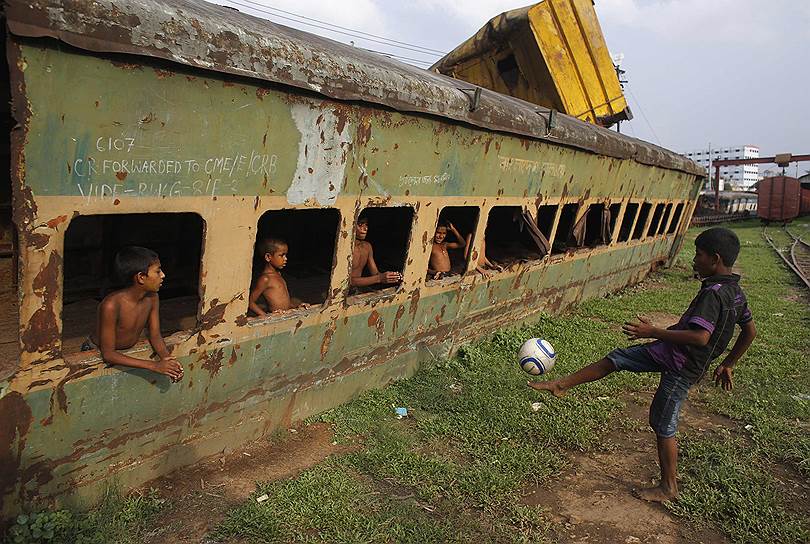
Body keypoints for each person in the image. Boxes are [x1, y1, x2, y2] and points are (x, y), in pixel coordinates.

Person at [529, 227, 756, 503]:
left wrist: (653, 331)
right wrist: (729, 363)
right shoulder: (735, 292)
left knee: (663, 422)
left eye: (698, 255)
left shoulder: (714, 294)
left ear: (714, 259)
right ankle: (559, 384)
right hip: (669, 352)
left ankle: (668, 487)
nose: (694, 260)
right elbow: (750, 331)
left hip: (681, 365)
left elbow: (700, 337)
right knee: (618, 358)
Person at [87, 246, 183, 381]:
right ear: (141, 277)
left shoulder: (153, 298)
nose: (163, 275)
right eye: (158, 271)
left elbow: (155, 334)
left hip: (123, 352)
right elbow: (108, 354)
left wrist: (167, 358)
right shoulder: (111, 305)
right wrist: (154, 366)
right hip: (96, 350)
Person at [351, 213, 402, 289]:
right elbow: (348, 282)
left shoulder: (367, 246)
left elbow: (375, 274)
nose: (365, 228)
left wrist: (392, 277)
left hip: (356, 290)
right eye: (360, 224)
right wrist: (380, 278)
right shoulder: (346, 249)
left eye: (366, 225)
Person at [249, 238, 292, 316]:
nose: (285, 259)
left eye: (285, 255)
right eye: (281, 255)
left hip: (285, 317)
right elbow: (250, 302)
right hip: (275, 321)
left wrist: (298, 307)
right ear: (268, 257)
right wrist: (265, 316)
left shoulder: (278, 274)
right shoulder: (266, 279)